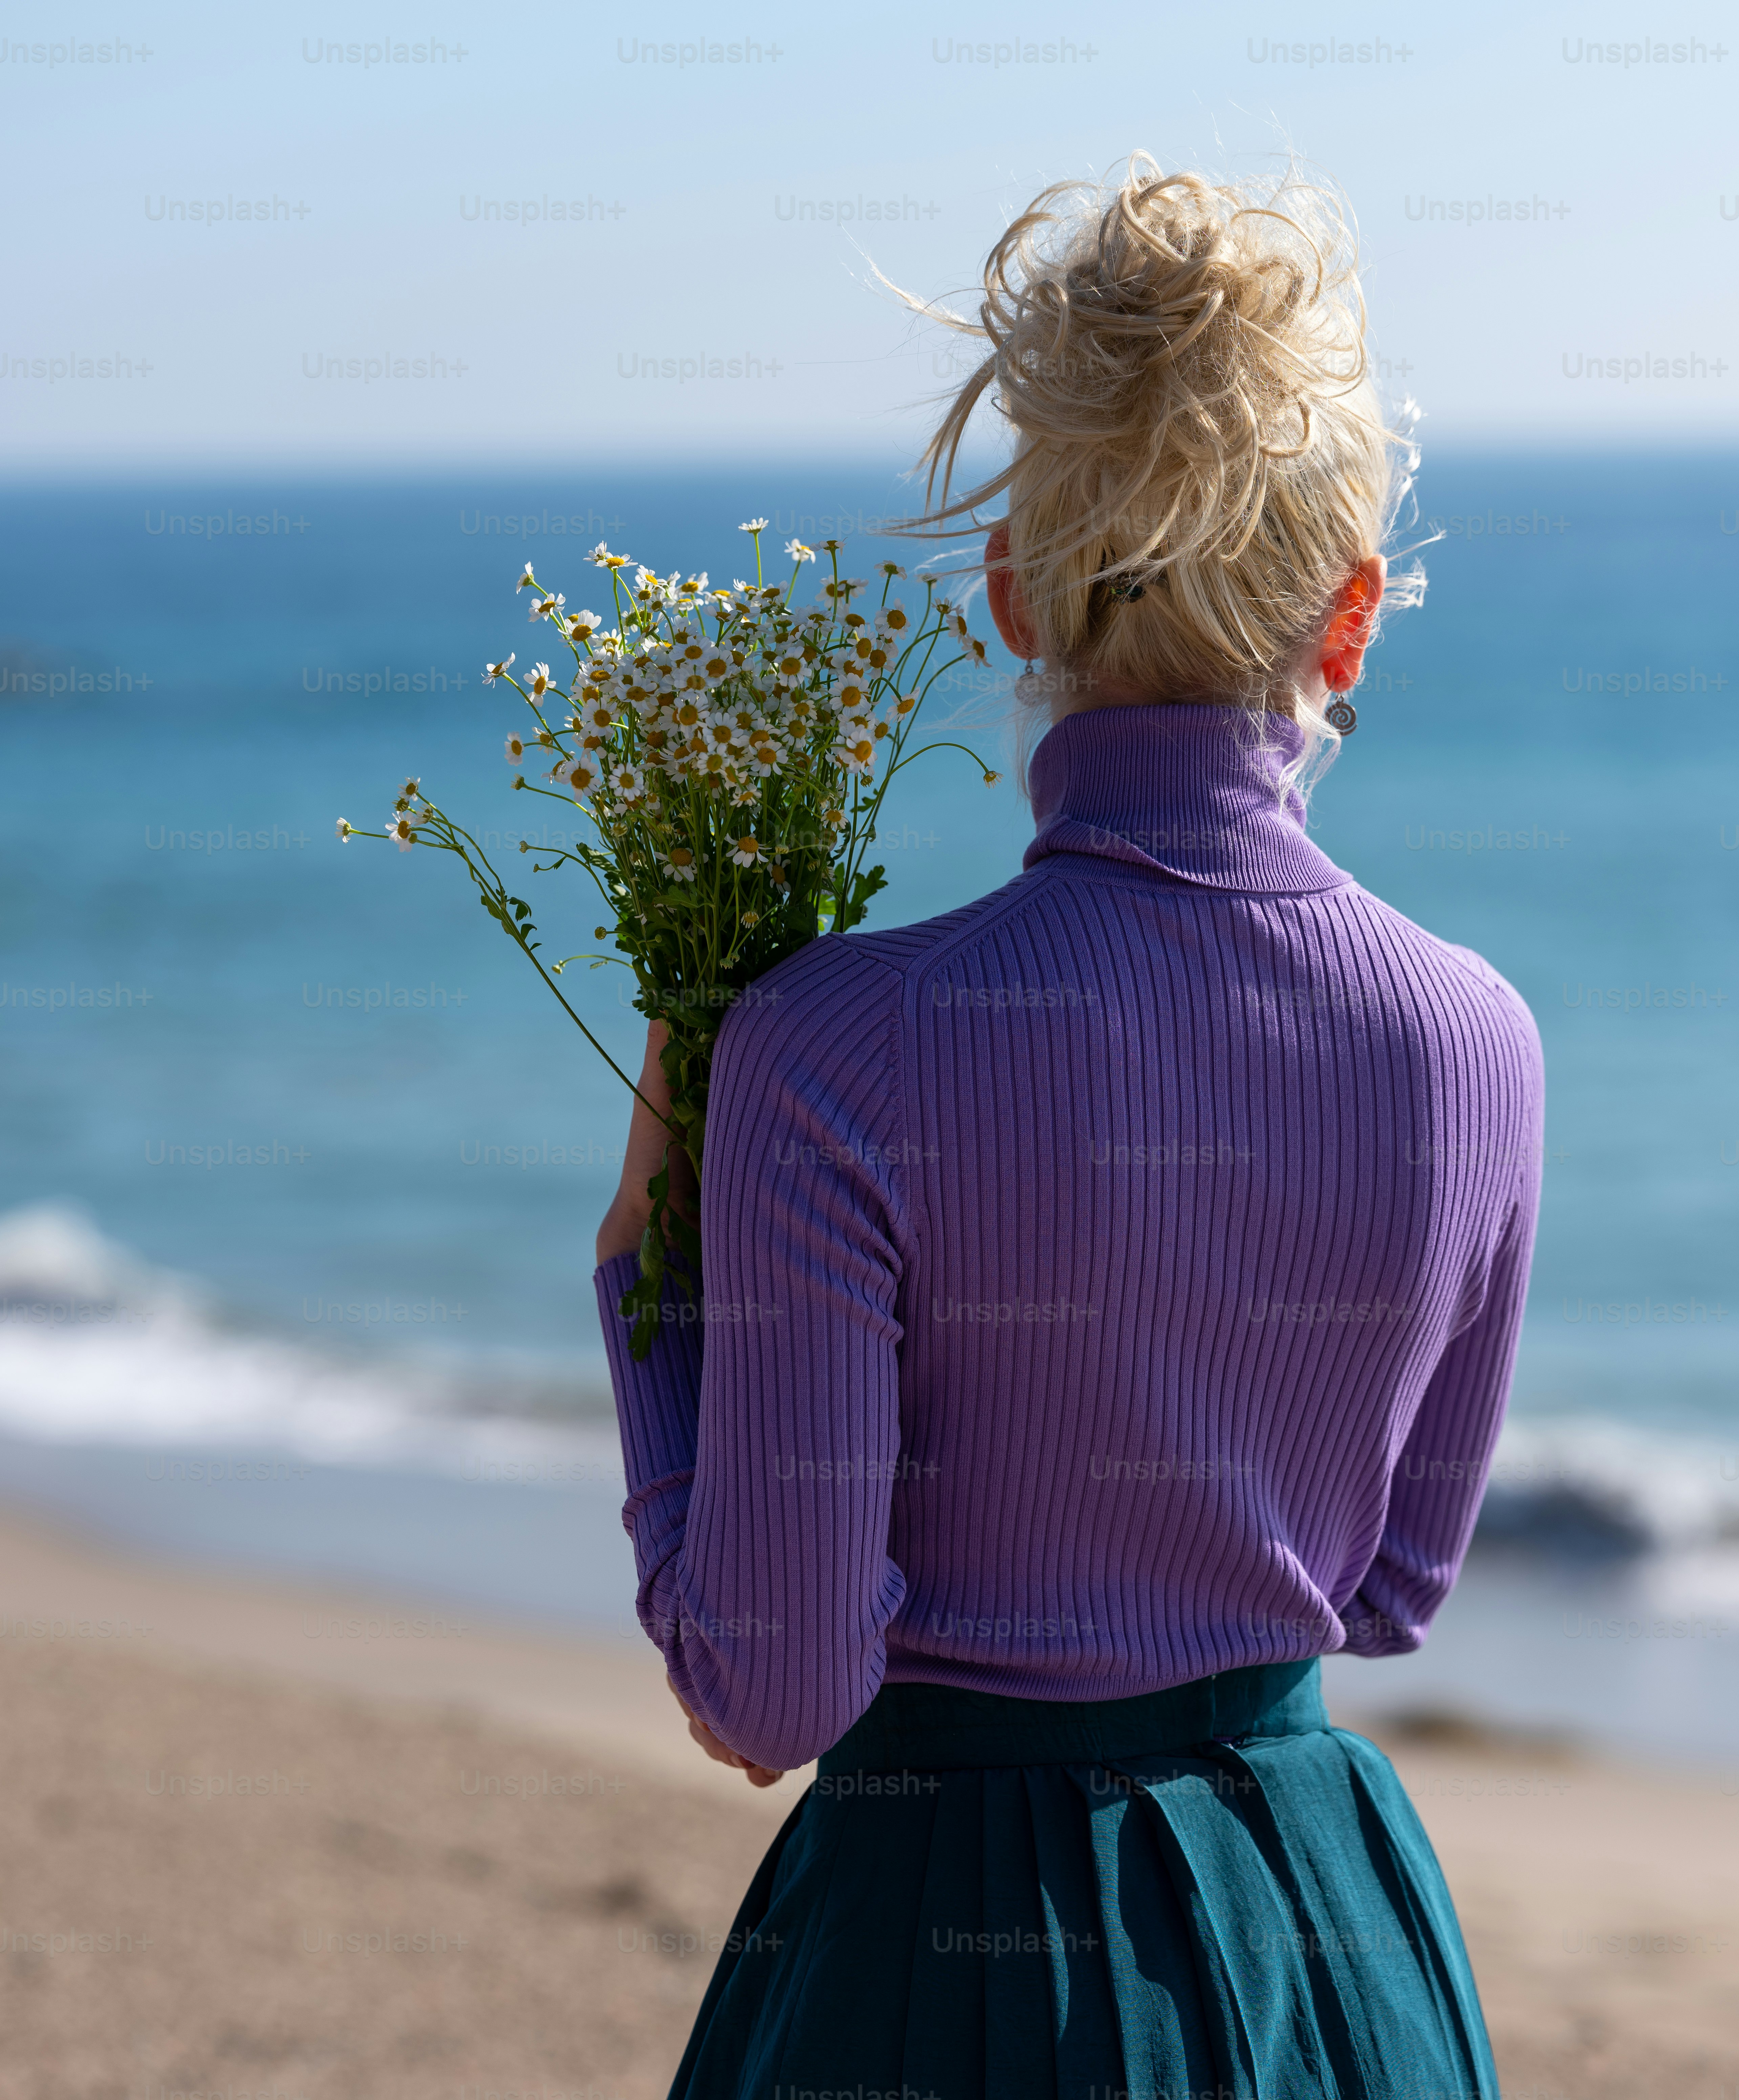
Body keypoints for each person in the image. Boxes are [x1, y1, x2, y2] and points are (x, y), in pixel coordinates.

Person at [591, 155, 1544, 2100]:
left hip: (935, 1964)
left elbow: (769, 1694)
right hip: (1322, 1942)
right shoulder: (1476, 1045)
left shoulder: (830, 1047)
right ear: (1348, 621)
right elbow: (1386, 1590)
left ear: (1012, 590)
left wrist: (645, 1274)